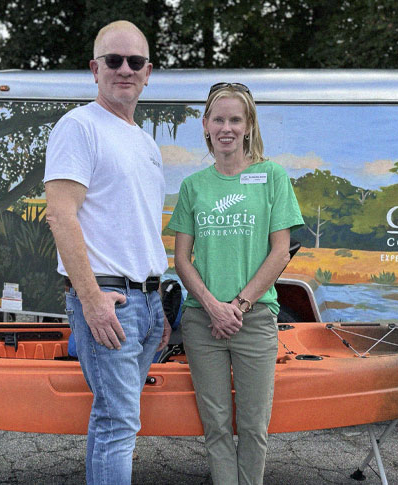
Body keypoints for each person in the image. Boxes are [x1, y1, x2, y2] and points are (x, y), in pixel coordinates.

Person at [43, 20, 171, 485]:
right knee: (120, 424)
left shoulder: (144, 141)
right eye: (113, 61)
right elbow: (60, 215)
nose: (124, 69)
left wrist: (158, 302)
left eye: (134, 62)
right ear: (93, 69)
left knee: (114, 420)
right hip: (110, 301)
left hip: (146, 303)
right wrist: (92, 298)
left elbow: (138, 230)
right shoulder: (79, 126)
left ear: (148, 71)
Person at [168, 82, 304, 485]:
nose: (226, 127)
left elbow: (280, 252)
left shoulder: (272, 176)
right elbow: (180, 259)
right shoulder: (194, 186)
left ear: (248, 126)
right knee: (216, 428)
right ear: (206, 126)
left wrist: (239, 306)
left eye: (235, 119)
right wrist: (213, 307)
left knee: (254, 428)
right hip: (202, 323)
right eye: (218, 119)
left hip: (256, 319)